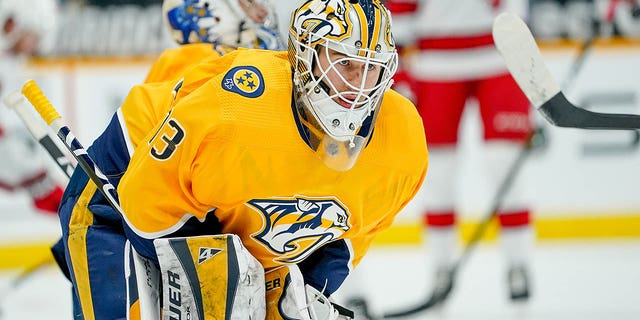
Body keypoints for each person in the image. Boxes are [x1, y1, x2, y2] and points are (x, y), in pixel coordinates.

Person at [55, 0, 428, 318]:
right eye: (344, 63)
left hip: (214, 219)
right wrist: (211, 278)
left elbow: (347, 237)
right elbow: (145, 203)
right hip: (121, 203)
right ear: (304, 59)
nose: (359, 85)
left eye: (371, 67)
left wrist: (295, 291)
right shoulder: (235, 108)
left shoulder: (403, 140)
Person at [386, 0, 534, 306]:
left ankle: (518, 264)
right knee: (438, 171)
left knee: (503, 163)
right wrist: (399, 71)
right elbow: (399, 12)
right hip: (435, 63)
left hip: (498, 56)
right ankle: (441, 268)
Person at [0, 0, 64, 215]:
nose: (33, 45)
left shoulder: (9, 62)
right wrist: (37, 179)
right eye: (31, 35)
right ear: (12, 24)